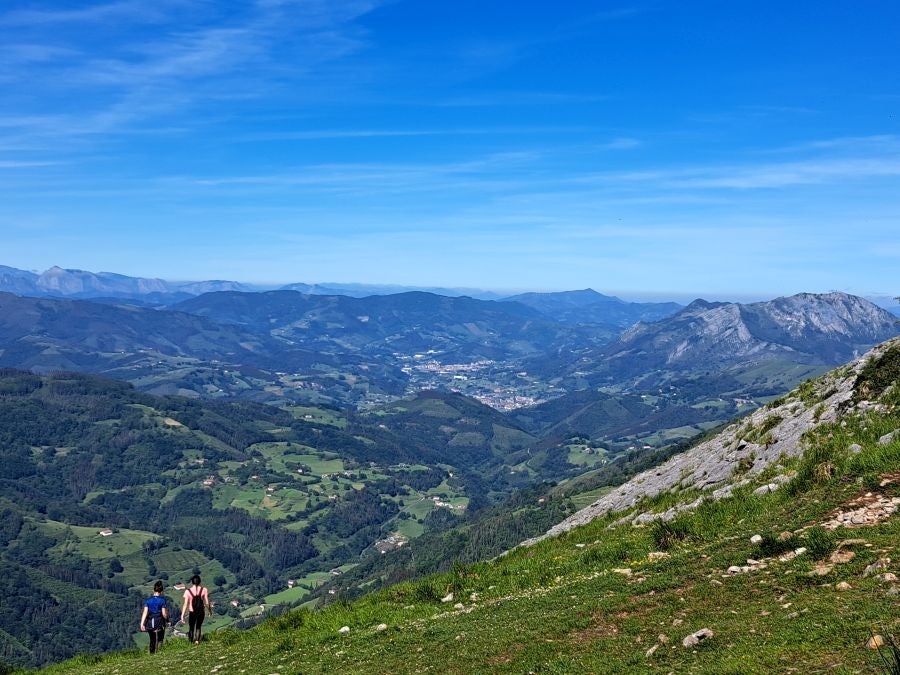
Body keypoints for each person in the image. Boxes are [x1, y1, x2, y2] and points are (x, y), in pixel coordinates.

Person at [180, 575, 211, 645]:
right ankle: (197, 641)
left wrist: (182, 615)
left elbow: (185, 604)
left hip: (192, 612)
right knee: (198, 627)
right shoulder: (204, 590)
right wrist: (209, 611)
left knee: (191, 627)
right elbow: (207, 602)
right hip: (201, 611)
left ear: (192, 582)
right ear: (200, 582)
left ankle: (190, 642)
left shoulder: (188, 591)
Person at [140, 581, 169, 654]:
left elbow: (145, 613)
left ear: (153, 590)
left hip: (150, 623)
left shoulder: (148, 601)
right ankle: (159, 653)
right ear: (161, 591)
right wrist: (167, 621)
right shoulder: (162, 601)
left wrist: (142, 624)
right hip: (160, 622)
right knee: (160, 639)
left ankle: (152, 654)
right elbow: (164, 614)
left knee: (152, 640)